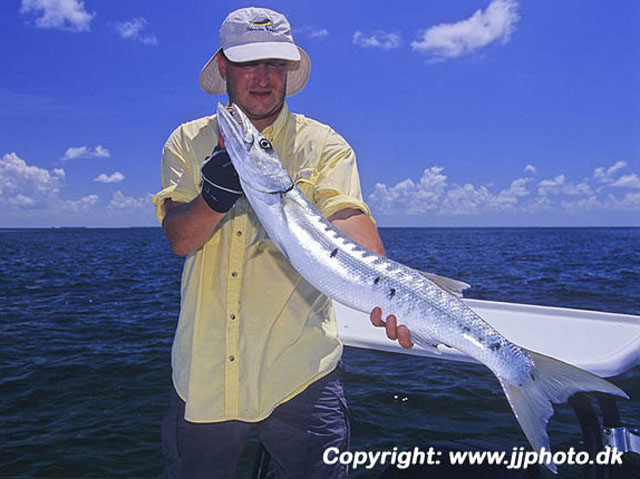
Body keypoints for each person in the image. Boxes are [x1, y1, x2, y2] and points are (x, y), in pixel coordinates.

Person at [153, 7, 412, 478]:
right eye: (250, 63)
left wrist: (391, 294)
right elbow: (179, 240)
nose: (264, 78)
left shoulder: (325, 144)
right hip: (205, 374)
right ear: (225, 67)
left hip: (302, 374)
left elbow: (350, 219)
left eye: (276, 64)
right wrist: (213, 197)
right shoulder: (186, 143)